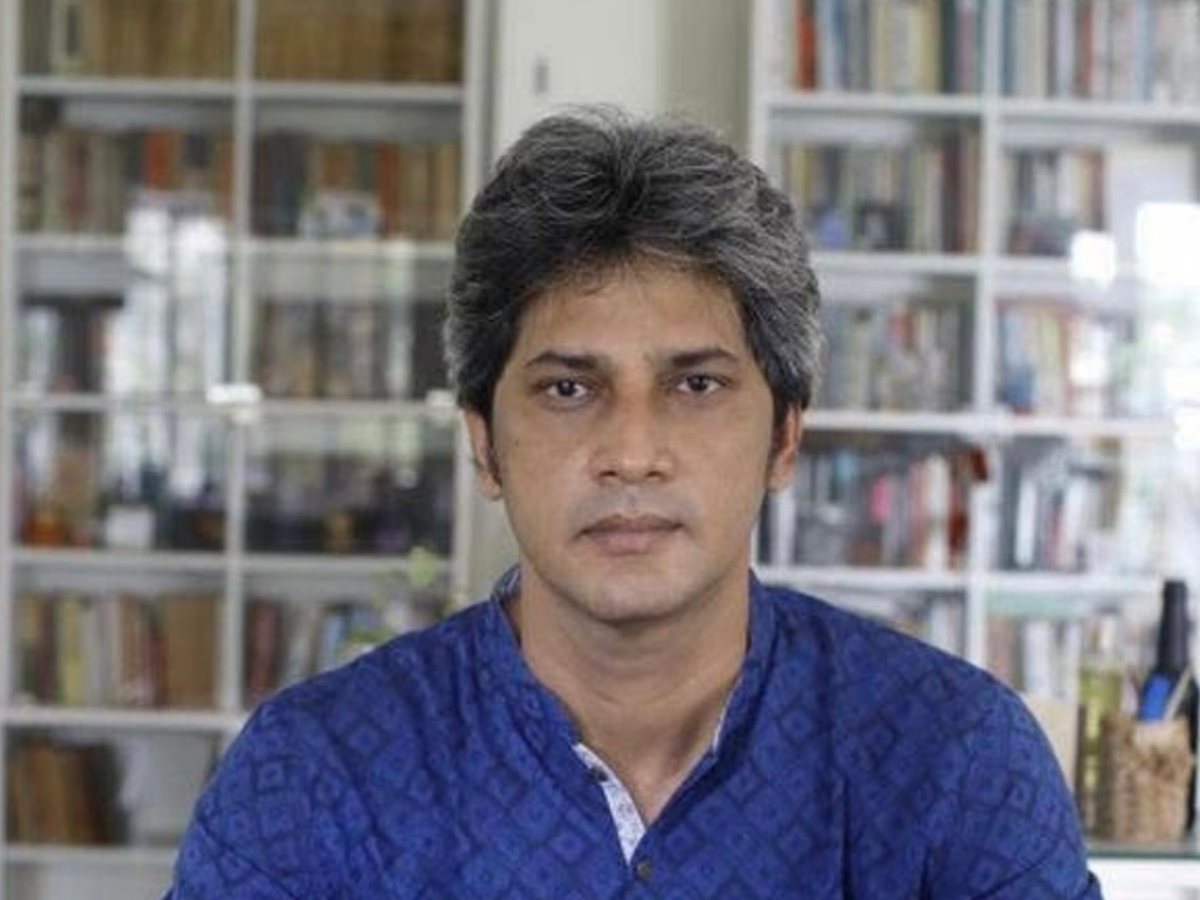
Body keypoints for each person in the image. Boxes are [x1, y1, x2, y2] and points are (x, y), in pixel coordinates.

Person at [164, 107, 1102, 899]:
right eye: (569, 388)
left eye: (695, 385)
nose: (631, 454)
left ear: (783, 437)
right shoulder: (316, 773)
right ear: (484, 442)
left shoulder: (954, 758)